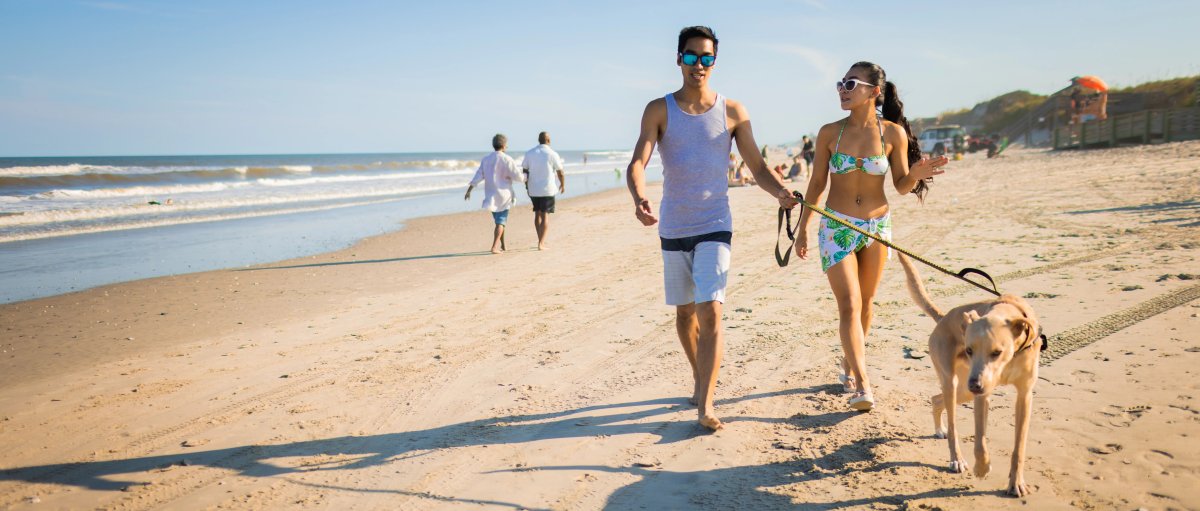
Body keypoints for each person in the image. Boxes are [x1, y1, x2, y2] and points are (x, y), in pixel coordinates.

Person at [625, 26, 798, 430]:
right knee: (686, 315)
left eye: (705, 58)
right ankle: (699, 376)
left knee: (711, 312)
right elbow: (638, 162)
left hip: (715, 224)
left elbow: (756, 166)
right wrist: (639, 199)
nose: (698, 65)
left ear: (714, 62)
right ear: (678, 59)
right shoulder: (658, 109)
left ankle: (706, 403)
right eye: (690, 56)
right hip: (672, 224)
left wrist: (781, 193)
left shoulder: (733, 111)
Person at [793, 61, 948, 411]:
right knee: (848, 304)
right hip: (836, 225)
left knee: (866, 303)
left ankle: (850, 364)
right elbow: (817, 183)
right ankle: (863, 384)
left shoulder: (892, 133)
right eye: (840, 84)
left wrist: (917, 173)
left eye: (851, 84)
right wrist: (802, 227)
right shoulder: (830, 132)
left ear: (874, 92)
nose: (843, 90)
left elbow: (901, 186)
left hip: (877, 227)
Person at [465, 133, 525, 254]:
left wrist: (469, 190)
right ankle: (494, 247)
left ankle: (503, 245)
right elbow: (518, 176)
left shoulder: (486, 159)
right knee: (501, 222)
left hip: (491, 196)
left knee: (500, 222)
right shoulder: (507, 159)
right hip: (504, 196)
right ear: (503, 145)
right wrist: (527, 177)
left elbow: (478, 175)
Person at [522, 131, 566, 251]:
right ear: (548, 140)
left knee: (537, 213)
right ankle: (541, 243)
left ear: (539, 140)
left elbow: (525, 171)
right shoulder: (552, 153)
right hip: (548, 189)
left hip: (533, 189)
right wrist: (562, 185)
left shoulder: (529, 153)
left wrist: (527, 185)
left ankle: (540, 239)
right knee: (545, 215)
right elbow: (560, 172)